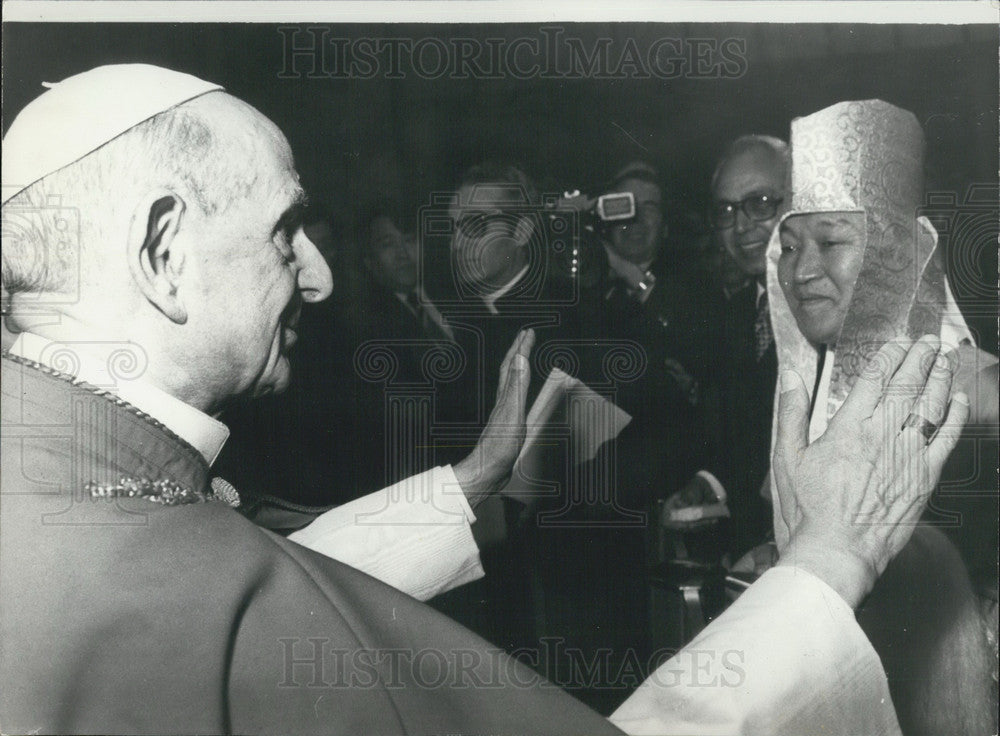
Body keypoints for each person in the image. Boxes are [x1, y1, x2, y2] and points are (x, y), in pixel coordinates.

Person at [0, 64, 968, 735]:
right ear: (162, 252)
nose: (321, 278)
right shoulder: (143, 543)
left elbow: (264, 570)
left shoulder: (82, 491)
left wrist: (477, 480)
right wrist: (832, 557)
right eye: (285, 230)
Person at [766, 99, 998, 736]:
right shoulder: (799, 397)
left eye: (831, 242)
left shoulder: (980, 395)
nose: (801, 270)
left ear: (899, 252)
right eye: (787, 246)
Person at [662, 136, 789, 560]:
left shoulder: (835, 313)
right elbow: (746, 438)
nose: (740, 226)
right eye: (726, 210)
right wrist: (709, 482)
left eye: (761, 202)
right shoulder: (732, 317)